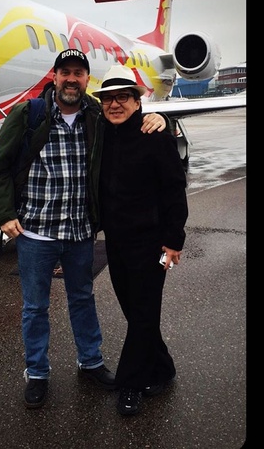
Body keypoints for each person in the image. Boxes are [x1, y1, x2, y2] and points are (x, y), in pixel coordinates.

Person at [0, 49, 167, 409]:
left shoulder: (95, 115)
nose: (71, 79)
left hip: (80, 232)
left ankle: (90, 362)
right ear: (54, 77)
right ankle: (37, 373)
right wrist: (4, 214)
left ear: (86, 80)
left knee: (82, 299)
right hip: (36, 233)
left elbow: (128, 120)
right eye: (65, 72)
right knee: (35, 307)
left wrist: (157, 117)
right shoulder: (28, 114)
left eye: (78, 73)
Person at [92, 64, 188, 416]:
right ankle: (163, 367)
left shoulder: (155, 136)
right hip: (116, 244)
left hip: (155, 247)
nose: (115, 104)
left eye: (123, 98)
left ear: (137, 102)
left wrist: (173, 241)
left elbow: (175, 190)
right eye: (108, 99)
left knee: (145, 310)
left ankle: (130, 384)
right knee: (136, 311)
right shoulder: (101, 136)